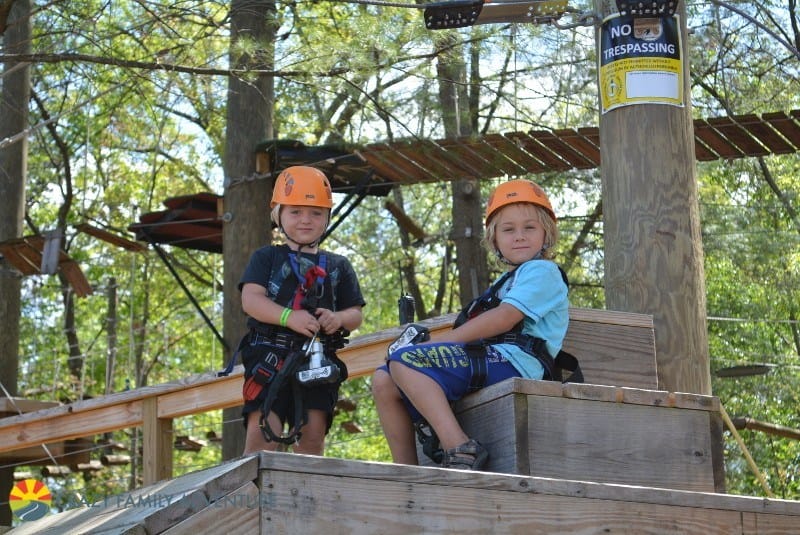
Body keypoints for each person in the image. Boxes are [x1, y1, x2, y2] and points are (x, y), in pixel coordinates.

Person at [372, 179, 569, 471]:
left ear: (546, 234)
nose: (519, 236)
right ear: (495, 240)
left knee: (404, 361)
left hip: (516, 363)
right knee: (382, 379)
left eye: (529, 227)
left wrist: (443, 342)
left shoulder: (543, 271)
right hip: (492, 360)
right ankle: (407, 471)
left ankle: (460, 447)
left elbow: (505, 318)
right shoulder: (507, 281)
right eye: (508, 229)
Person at [239, 166, 365, 456]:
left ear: (327, 218)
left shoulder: (338, 265)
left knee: (311, 441)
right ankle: (254, 498)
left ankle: (307, 498)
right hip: (270, 359)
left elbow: (355, 313)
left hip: (318, 361)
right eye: (295, 212)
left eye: (316, 213)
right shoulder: (267, 257)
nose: (306, 220)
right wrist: (288, 317)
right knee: (262, 440)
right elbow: (251, 299)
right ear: (279, 215)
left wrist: (338, 319)